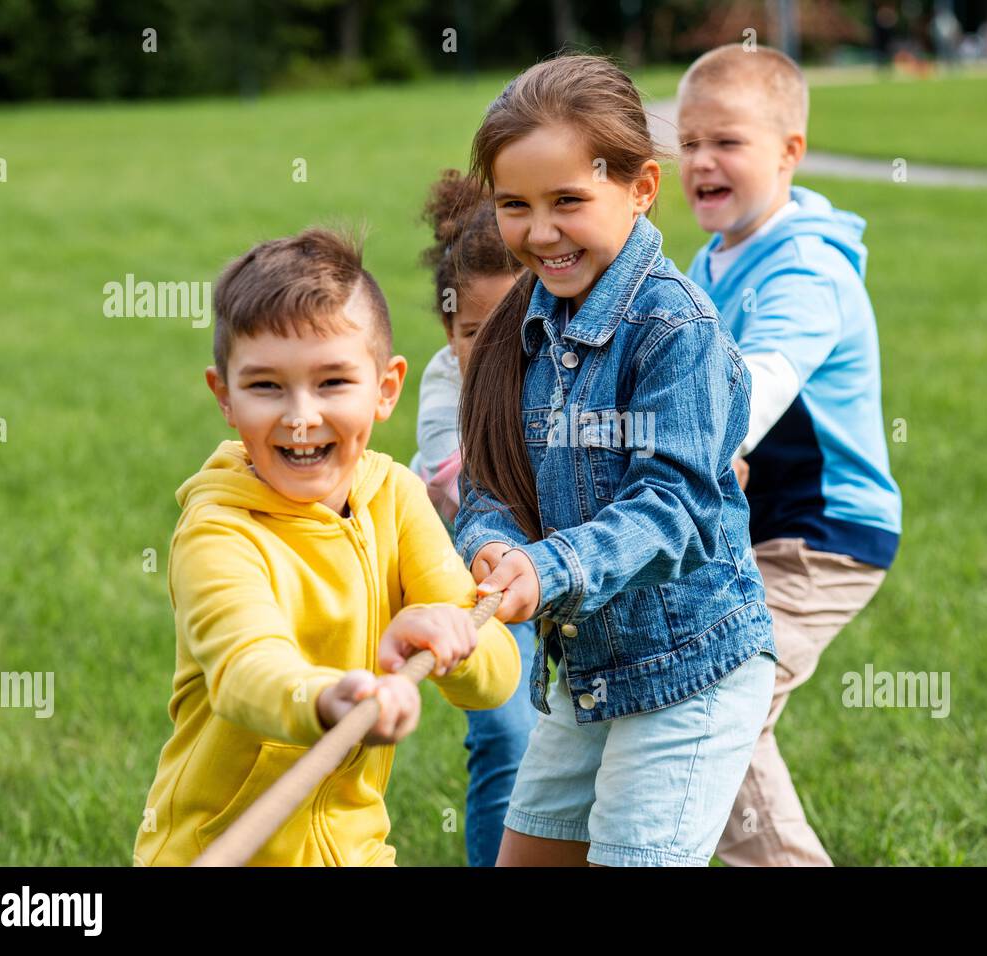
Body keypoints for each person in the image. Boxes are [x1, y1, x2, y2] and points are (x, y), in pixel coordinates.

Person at [454, 53, 777, 868]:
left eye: (569, 201)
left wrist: (549, 567)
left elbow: (671, 508)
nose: (539, 232)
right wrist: (491, 545)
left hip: (690, 674)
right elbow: (492, 481)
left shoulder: (676, 330)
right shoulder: (521, 324)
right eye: (513, 206)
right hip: (588, 670)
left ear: (640, 187)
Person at [133, 227, 521, 866]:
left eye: (333, 382)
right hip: (220, 848)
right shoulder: (219, 530)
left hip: (356, 852)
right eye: (265, 386)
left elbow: (496, 678)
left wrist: (454, 631)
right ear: (224, 395)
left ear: (386, 388)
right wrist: (327, 698)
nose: (301, 415)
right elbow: (244, 667)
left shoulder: (396, 497)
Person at [677, 44, 902, 865]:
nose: (701, 160)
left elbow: (764, 378)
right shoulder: (715, 258)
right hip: (754, 527)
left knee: (717, 707)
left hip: (823, 533)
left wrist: (688, 451)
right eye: (690, 140)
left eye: (728, 141)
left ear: (790, 152)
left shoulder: (806, 268)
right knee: (697, 698)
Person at [412, 169, 538, 868]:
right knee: (506, 737)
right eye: (469, 332)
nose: (489, 353)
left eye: (512, 330)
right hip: (479, 578)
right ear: (446, 328)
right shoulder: (444, 384)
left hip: (564, 573)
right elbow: (468, 481)